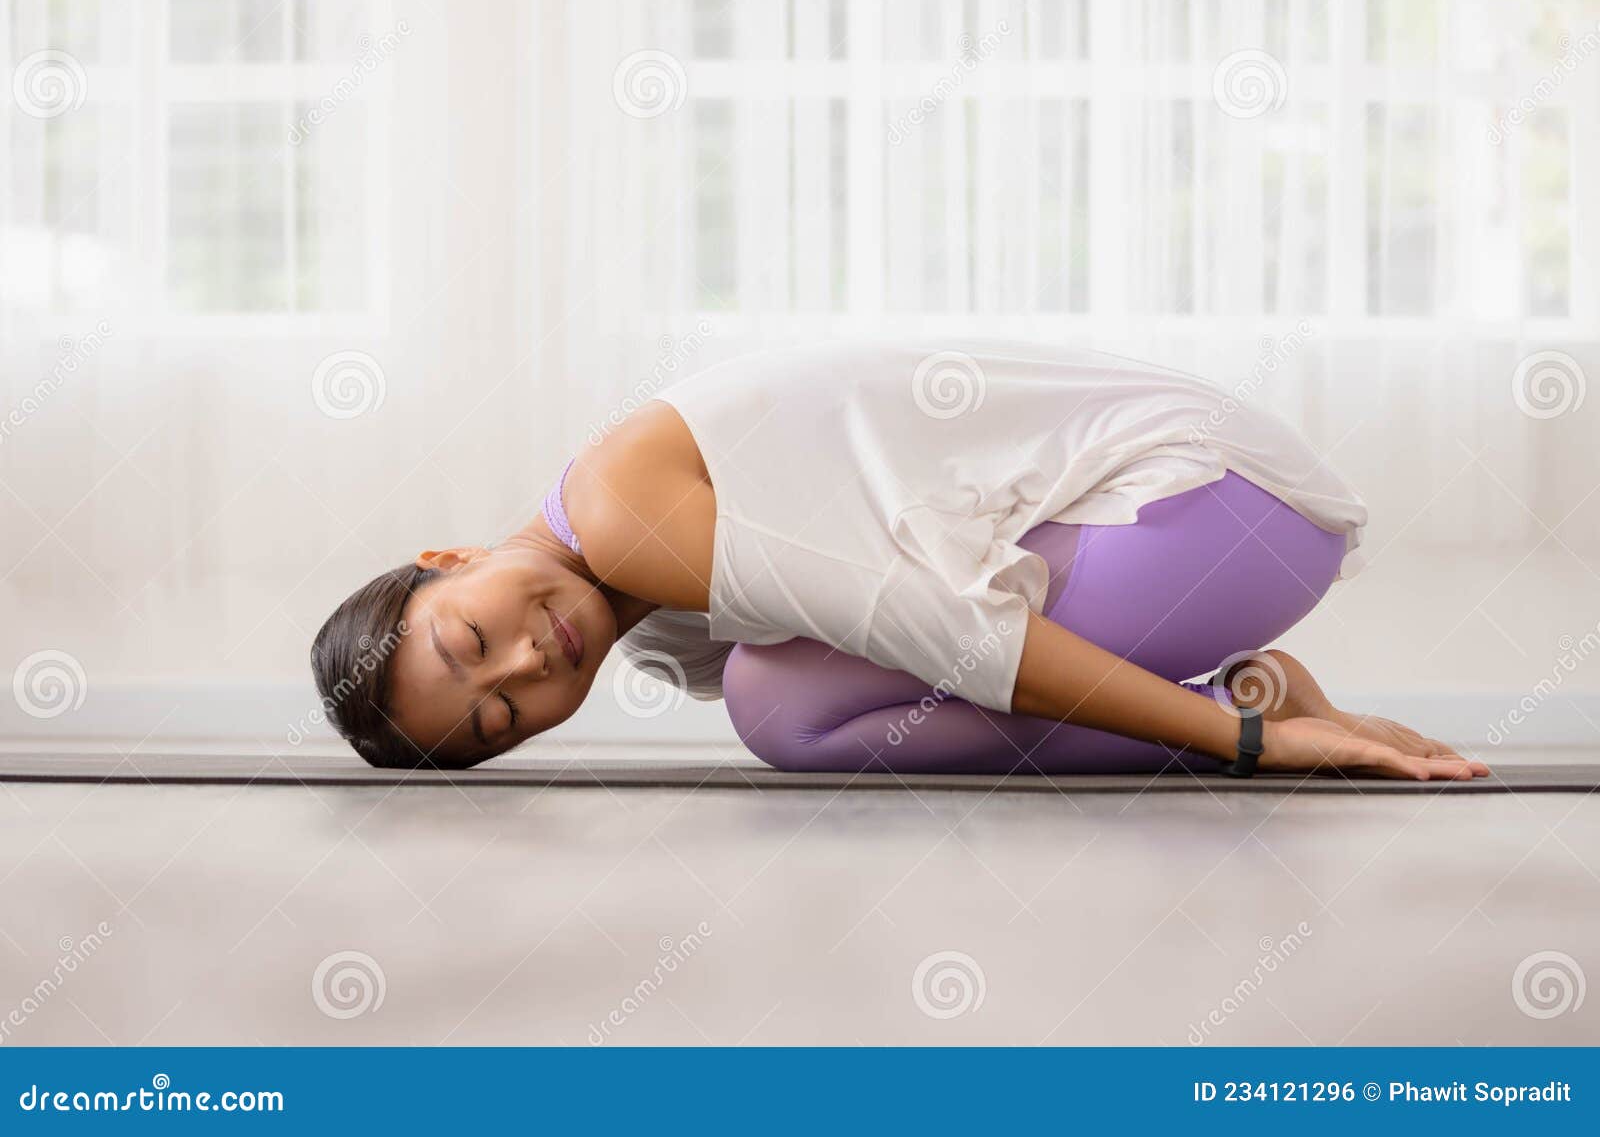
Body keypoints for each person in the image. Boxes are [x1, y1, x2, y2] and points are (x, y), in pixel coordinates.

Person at [311, 338, 1487, 782]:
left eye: (469, 638)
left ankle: (1236, 708)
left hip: (1211, 505)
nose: (523, 663)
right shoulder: (664, 628)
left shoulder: (621, 514)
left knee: (781, 706)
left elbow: (942, 636)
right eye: (503, 715)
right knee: (778, 686)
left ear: (449, 556)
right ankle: (1235, 687)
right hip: (1219, 527)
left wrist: (1247, 745)